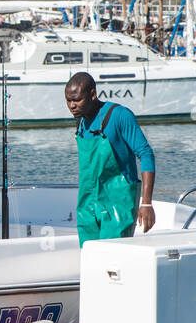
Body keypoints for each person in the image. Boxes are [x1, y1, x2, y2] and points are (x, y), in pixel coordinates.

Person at [65, 72, 156, 244]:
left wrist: (146, 203)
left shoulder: (120, 115)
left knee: (113, 258)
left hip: (118, 203)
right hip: (87, 204)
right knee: (89, 257)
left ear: (92, 94)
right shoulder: (81, 121)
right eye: (68, 100)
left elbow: (146, 154)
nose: (72, 106)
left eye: (77, 100)